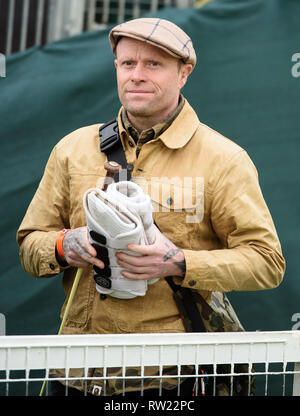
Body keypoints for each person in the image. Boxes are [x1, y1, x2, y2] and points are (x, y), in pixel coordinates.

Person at [17, 18, 285, 396]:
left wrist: (177, 262)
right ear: (116, 68)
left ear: (184, 73)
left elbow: (267, 263)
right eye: (128, 64)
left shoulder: (224, 159)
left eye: (154, 64)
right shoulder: (72, 149)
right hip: (77, 371)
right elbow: (30, 245)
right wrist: (64, 246)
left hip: (171, 377)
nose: (137, 75)